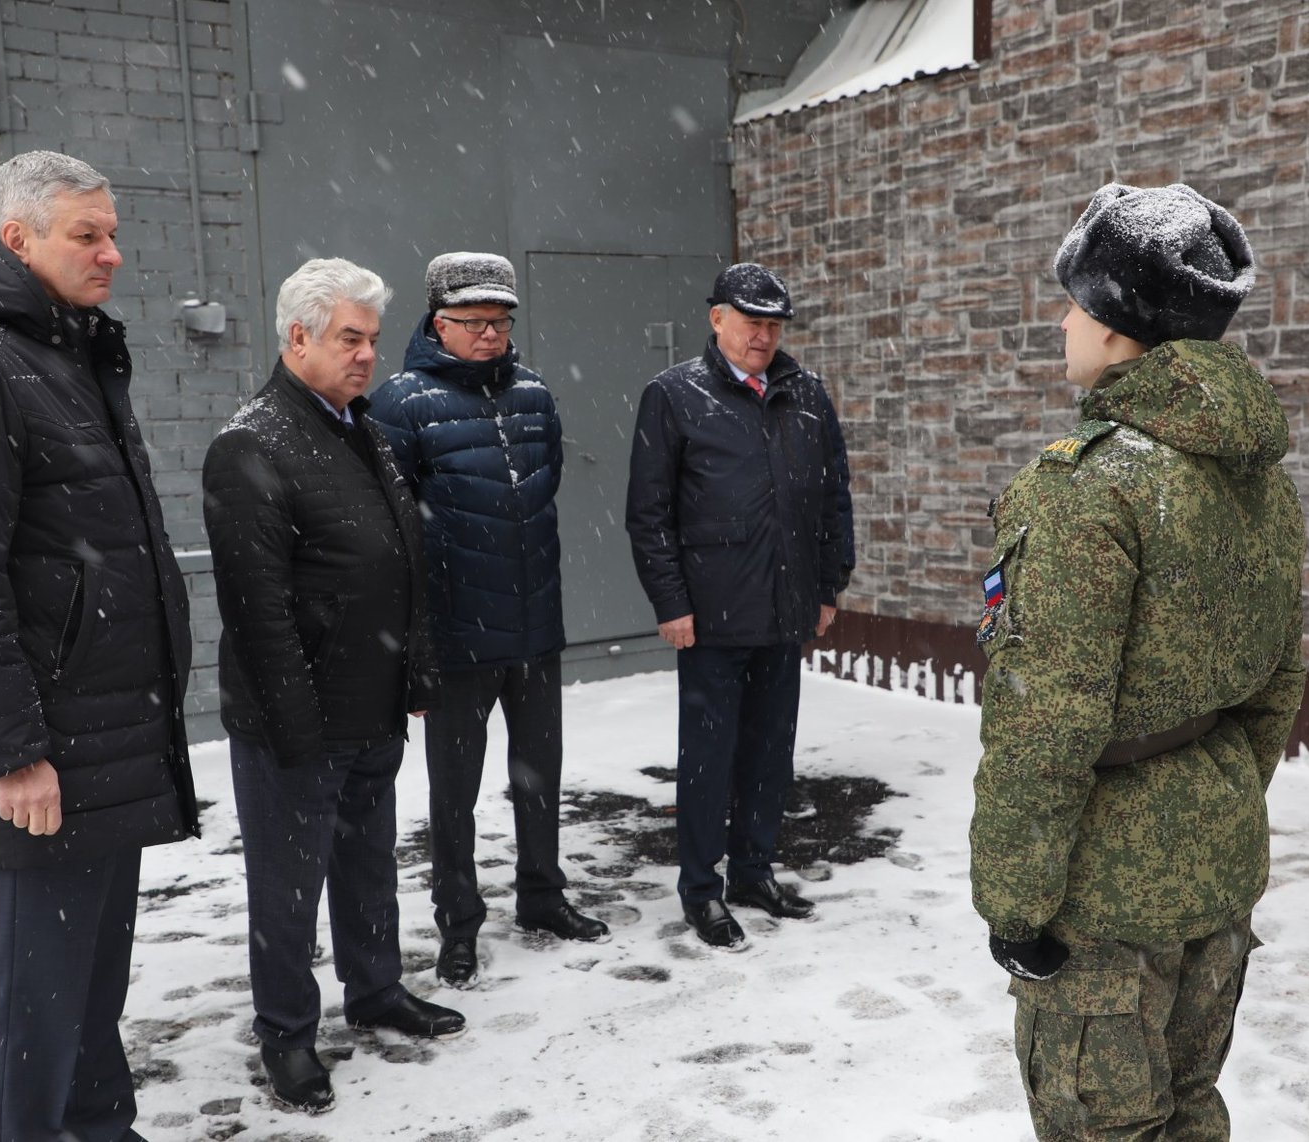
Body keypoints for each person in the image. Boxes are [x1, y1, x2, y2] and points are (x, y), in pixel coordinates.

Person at [968, 183, 1304, 1141]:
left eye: (1075, 304)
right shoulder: (1255, 474)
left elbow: (1043, 718)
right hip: (1217, 850)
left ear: (1120, 331)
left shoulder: (1087, 484)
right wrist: (1226, 784)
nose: (1064, 324)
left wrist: (1016, 903)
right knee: (1191, 1107)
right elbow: (1279, 677)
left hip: (1105, 892)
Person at [0, 150, 198, 1142]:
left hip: (110, 732)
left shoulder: (68, 359)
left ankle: (100, 1126)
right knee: (32, 999)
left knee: (89, 982)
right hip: (51, 748)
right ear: (16, 236)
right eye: (87, 234)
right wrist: (11, 750)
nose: (112, 252)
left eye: (113, 232)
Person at [202, 257, 464, 1115]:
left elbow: (403, 561)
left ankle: (377, 991)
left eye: (373, 342)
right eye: (349, 339)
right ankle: (286, 1035)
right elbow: (257, 611)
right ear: (298, 336)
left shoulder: (363, 430)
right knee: (287, 887)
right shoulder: (252, 444)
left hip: (373, 702)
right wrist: (297, 728)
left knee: (367, 865)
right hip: (299, 721)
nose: (365, 357)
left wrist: (414, 666)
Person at [366, 253, 609, 989]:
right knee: (455, 793)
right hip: (457, 636)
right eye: (474, 323)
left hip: (536, 629)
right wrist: (419, 634)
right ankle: (459, 925)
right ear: (438, 323)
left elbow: (542, 492)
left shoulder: (533, 395)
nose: (491, 335)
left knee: (540, 778)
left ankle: (542, 897)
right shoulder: (400, 403)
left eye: (501, 322)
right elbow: (395, 525)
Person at [624, 263, 850, 949]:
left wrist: (829, 585)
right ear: (717, 318)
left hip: (786, 610)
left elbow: (834, 495)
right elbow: (649, 513)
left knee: (769, 754)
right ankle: (702, 889)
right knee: (708, 759)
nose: (764, 336)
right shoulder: (673, 396)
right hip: (712, 617)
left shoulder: (804, 393)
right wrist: (671, 601)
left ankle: (754, 870)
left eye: (774, 325)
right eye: (752, 322)